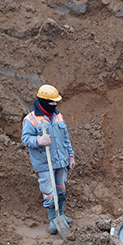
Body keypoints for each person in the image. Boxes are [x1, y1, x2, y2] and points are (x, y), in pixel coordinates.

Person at [21, 84, 76, 234]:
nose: (55, 105)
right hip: (45, 163)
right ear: (43, 101)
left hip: (60, 160)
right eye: (52, 102)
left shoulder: (58, 115)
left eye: (56, 102)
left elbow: (66, 138)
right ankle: (53, 219)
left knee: (60, 188)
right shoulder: (31, 119)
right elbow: (25, 138)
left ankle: (62, 214)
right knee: (49, 192)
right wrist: (39, 140)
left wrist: (70, 155)